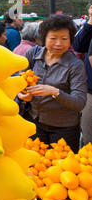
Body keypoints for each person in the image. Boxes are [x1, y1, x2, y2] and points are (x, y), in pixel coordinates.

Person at [17, 15, 88, 153]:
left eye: (64, 39)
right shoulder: (32, 55)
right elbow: (19, 80)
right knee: (35, 165)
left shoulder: (75, 66)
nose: (58, 44)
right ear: (44, 38)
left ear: (70, 40)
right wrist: (22, 94)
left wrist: (54, 92)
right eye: (53, 38)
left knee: (61, 169)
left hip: (64, 129)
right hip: (34, 123)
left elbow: (80, 103)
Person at [73, 4, 92, 146]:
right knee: (88, 139)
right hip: (90, 90)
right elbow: (78, 45)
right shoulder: (89, 26)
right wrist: (91, 19)